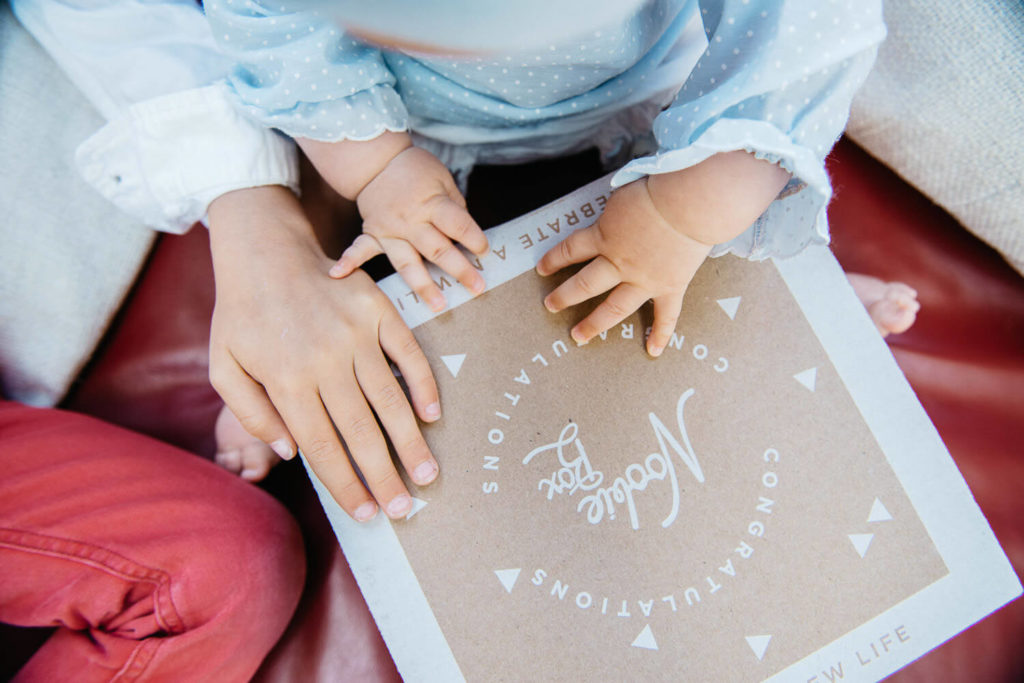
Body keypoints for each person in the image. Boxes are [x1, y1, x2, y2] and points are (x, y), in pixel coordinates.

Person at [200, 0, 918, 521]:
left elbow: (800, 43)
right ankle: (295, 384)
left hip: (644, 101)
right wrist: (376, 167)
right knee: (345, 243)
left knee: (704, 229)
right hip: (400, 116)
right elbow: (276, 31)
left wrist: (682, 212)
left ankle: (789, 296)